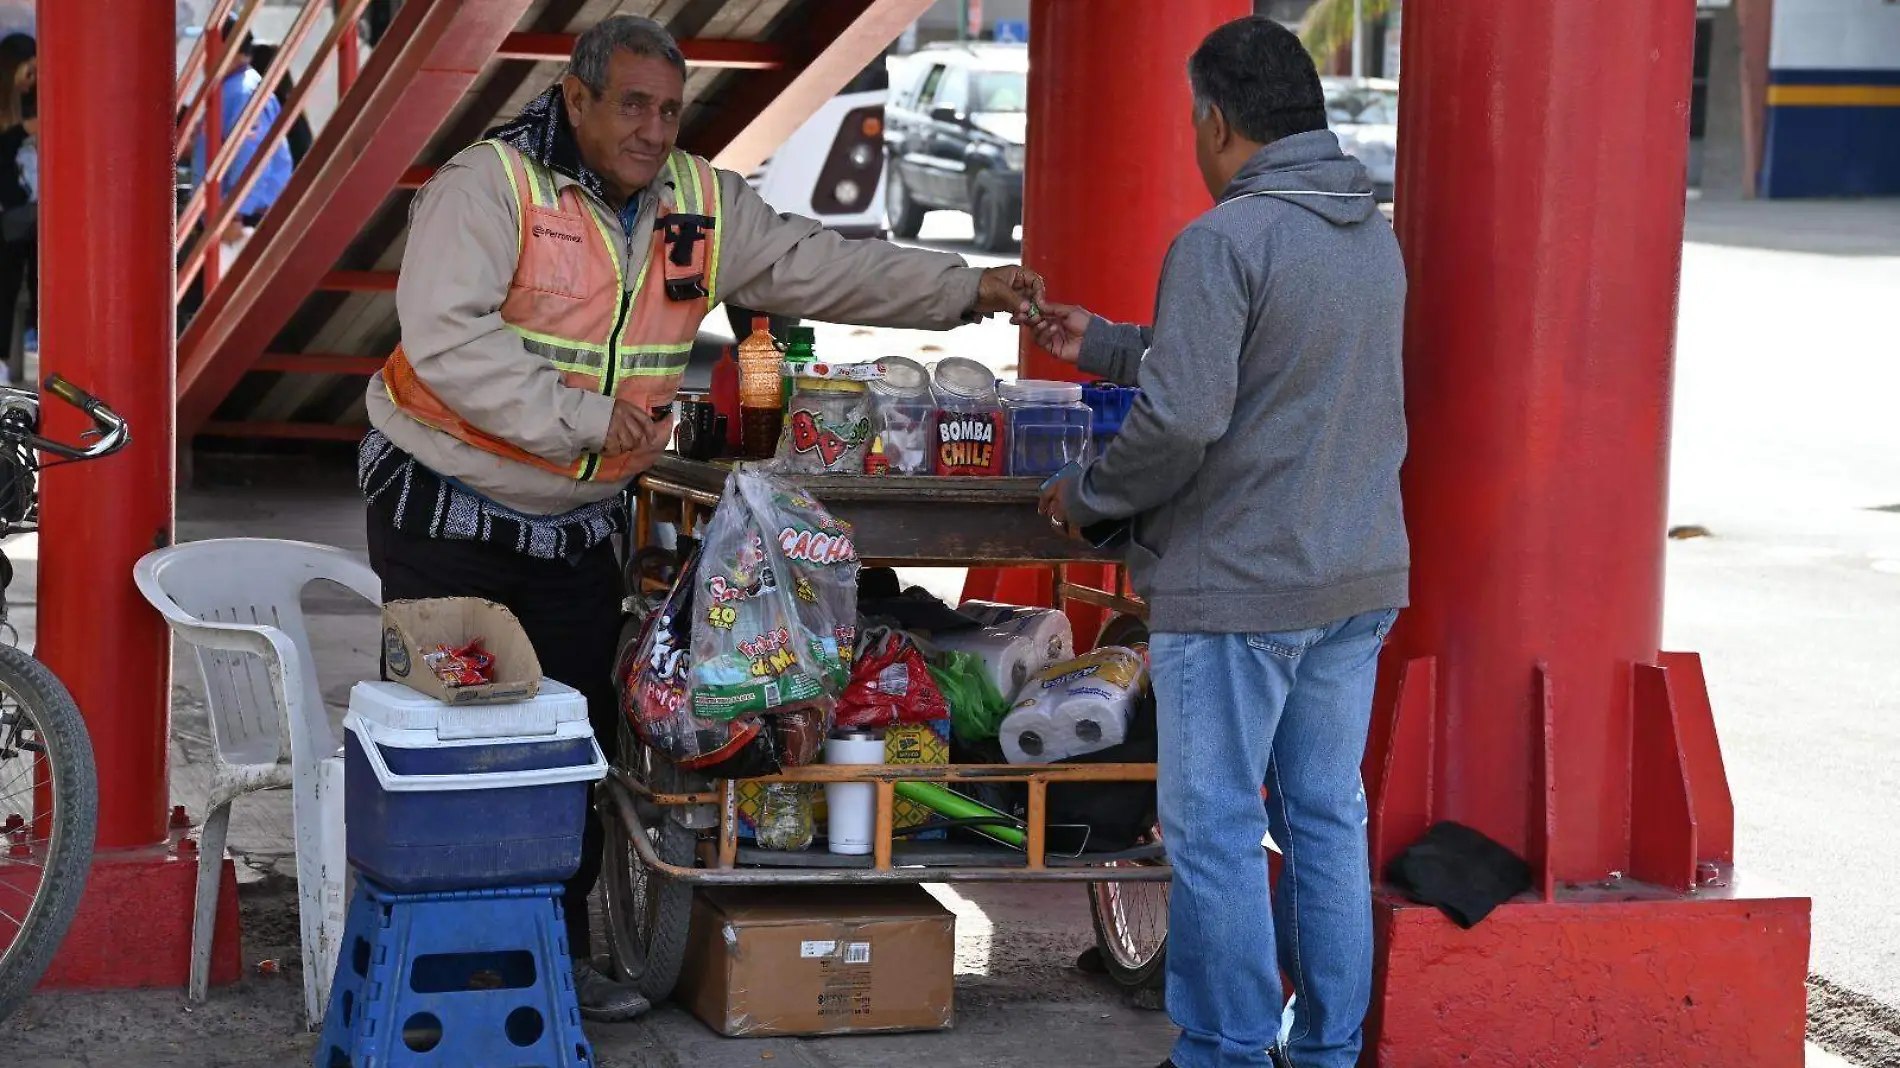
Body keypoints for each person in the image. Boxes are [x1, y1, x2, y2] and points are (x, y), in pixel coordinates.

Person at [359, 15, 1042, 1024]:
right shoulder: (489, 186)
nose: (653, 128)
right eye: (632, 104)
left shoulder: (697, 201)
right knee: (459, 746)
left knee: (573, 745)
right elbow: (450, 345)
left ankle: (552, 956)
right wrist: (592, 420)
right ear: (576, 98)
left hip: (579, 519)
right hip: (447, 509)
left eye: (670, 110)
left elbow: (818, 264)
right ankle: (446, 956)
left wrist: (966, 286)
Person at [1031, 16, 1408, 1068]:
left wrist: (1091, 499)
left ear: (1216, 120)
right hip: (1356, 573)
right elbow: (1257, 357)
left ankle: (1228, 1052)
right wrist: (1101, 341)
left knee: (1213, 834)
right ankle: (1327, 1052)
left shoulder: (1222, 240)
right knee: (1326, 822)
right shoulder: (1366, 233)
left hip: (1240, 588)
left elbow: (1184, 420)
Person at [190, 17, 295, 263]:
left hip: (242, 220)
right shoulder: (231, 88)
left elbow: (250, 155)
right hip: (230, 213)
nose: (204, 58)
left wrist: (234, 214)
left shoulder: (242, 90)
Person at [0, 32, 36, 381]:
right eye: (28, 72)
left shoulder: (18, 108)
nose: (31, 82)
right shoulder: (14, 121)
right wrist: (23, 131)